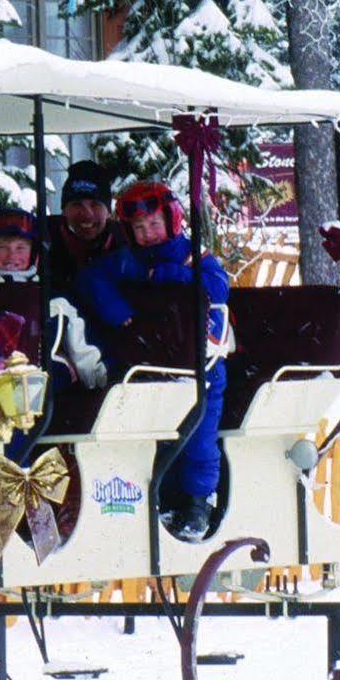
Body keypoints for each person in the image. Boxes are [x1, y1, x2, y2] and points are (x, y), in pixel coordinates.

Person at [78, 180, 231, 541]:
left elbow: (217, 286)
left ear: (172, 220)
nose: (148, 234)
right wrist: (117, 309)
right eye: (139, 228)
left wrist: (173, 276)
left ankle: (197, 501)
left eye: (154, 224)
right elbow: (91, 278)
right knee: (154, 435)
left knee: (199, 435)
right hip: (150, 364)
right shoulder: (129, 261)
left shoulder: (193, 255)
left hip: (200, 366)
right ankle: (160, 496)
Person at [0, 208, 106, 389]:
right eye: (3, 247)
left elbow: (83, 351)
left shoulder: (54, 301)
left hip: (44, 388)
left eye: (21, 248)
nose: (12, 256)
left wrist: (102, 384)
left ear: (34, 254)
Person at [43, 159, 124, 301]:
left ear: (109, 212)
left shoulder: (125, 240)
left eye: (95, 204)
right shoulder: (44, 238)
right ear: (64, 210)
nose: (87, 214)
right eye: (77, 204)